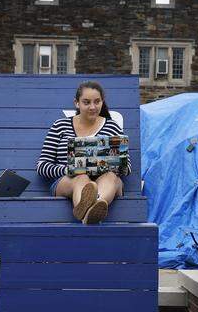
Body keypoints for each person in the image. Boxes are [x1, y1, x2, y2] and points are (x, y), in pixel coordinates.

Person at [37, 80, 129, 224]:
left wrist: (107, 165)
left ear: (102, 102)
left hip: (105, 182)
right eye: (86, 102)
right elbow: (42, 166)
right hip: (70, 182)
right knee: (81, 177)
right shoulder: (60, 126)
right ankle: (88, 209)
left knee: (110, 176)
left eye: (97, 102)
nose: (92, 107)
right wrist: (70, 170)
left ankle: (91, 210)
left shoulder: (112, 127)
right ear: (77, 103)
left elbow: (127, 167)